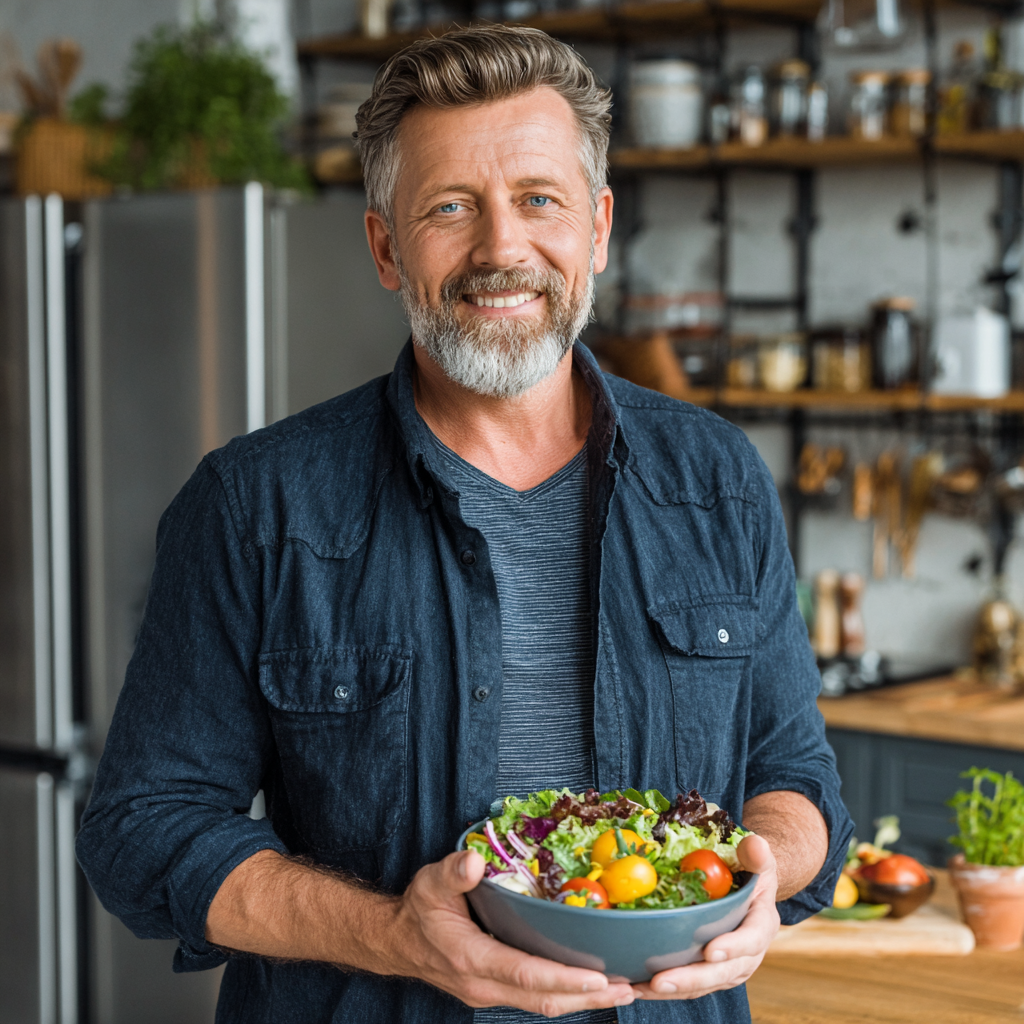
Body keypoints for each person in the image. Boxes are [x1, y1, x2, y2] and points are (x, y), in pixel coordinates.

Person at [77, 24, 852, 1024]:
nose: (501, 249)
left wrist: (758, 877)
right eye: (451, 208)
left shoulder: (717, 480)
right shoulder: (257, 503)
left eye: (539, 199)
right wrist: (391, 932)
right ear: (385, 246)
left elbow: (793, 781)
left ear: (599, 228)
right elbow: (143, 831)